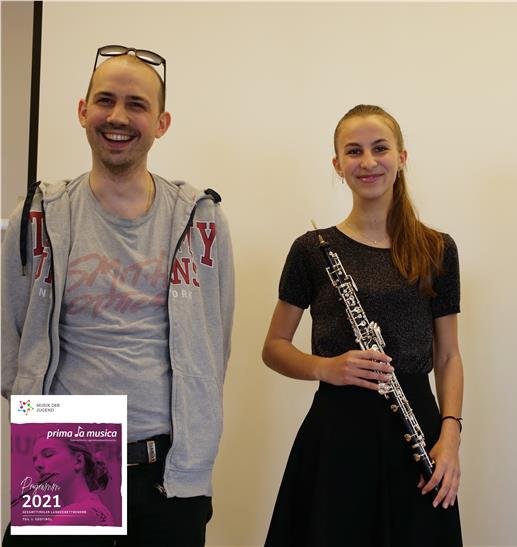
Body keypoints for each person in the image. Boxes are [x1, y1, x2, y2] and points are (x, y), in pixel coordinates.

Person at [1, 45, 235, 546]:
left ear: (162, 122)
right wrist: (34, 413)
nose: (118, 116)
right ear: (83, 110)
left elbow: (216, 341)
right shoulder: (40, 213)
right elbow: (10, 331)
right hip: (65, 450)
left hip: (170, 465)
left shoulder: (199, 219)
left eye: (137, 104)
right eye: (105, 100)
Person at [262, 104, 464, 546]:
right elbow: (274, 346)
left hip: (418, 431)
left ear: (402, 156)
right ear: (337, 165)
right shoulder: (312, 250)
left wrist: (450, 435)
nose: (368, 162)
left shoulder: (437, 249)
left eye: (380, 148)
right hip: (337, 433)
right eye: (353, 151)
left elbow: (448, 356)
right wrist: (325, 368)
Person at [30, 438, 114, 527]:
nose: (37, 465)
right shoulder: (92, 508)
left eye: (48, 455)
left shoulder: (80, 514)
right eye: (35, 460)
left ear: (78, 461)